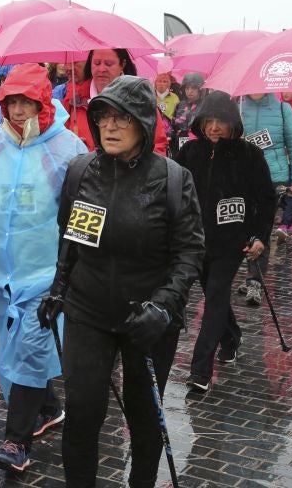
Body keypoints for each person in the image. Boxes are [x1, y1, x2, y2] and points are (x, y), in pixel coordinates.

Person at [39, 75, 204, 487]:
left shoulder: (173, 179)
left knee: (144, 418)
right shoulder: (81, 171)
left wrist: (163, 306)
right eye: (103, 117)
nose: (109, 127)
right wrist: (58, 288)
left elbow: (189, 253)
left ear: (143, 122)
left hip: (147, 318)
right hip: (88, 311)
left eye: (122, 118)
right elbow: (71, 238)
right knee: (83, 413)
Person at [0, 64, 87, 472]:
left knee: (29, 348)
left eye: (28, 102)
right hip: (0, 274)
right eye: (12, 103)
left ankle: (16, 441)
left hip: (46, 275)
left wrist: (75, 270)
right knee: (15, 346)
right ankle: (48, 407)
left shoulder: (69, 150)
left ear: (44, 105)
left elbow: (85, 211)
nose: (19, 111)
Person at [175, 91, 275, 393]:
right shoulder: (189, 152)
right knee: (212, 294)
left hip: (232, 242)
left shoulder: (250, 155)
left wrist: (260, 237)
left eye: (221, 121)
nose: (214, 127)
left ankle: (200, 369)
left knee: (216, 296)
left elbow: (266, 200)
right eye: (209, 121)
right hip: (195, 241)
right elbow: (173, 189)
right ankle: (231, 336)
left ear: (233, 122)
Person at [239, 93, 292, 304]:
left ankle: (255, 281)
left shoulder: (283, 109)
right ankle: (252, 272)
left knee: (263, 228)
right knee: (246, 226)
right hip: (246, 177)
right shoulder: (238, 108)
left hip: (274, 178)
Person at [171, 72, 205, 154]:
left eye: (193, 88)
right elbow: (173, 124)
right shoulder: (179, 105)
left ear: (199, 89)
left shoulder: (204, 105)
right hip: (179, 143)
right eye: (187, 88)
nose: (190, 91)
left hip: (198, 144)